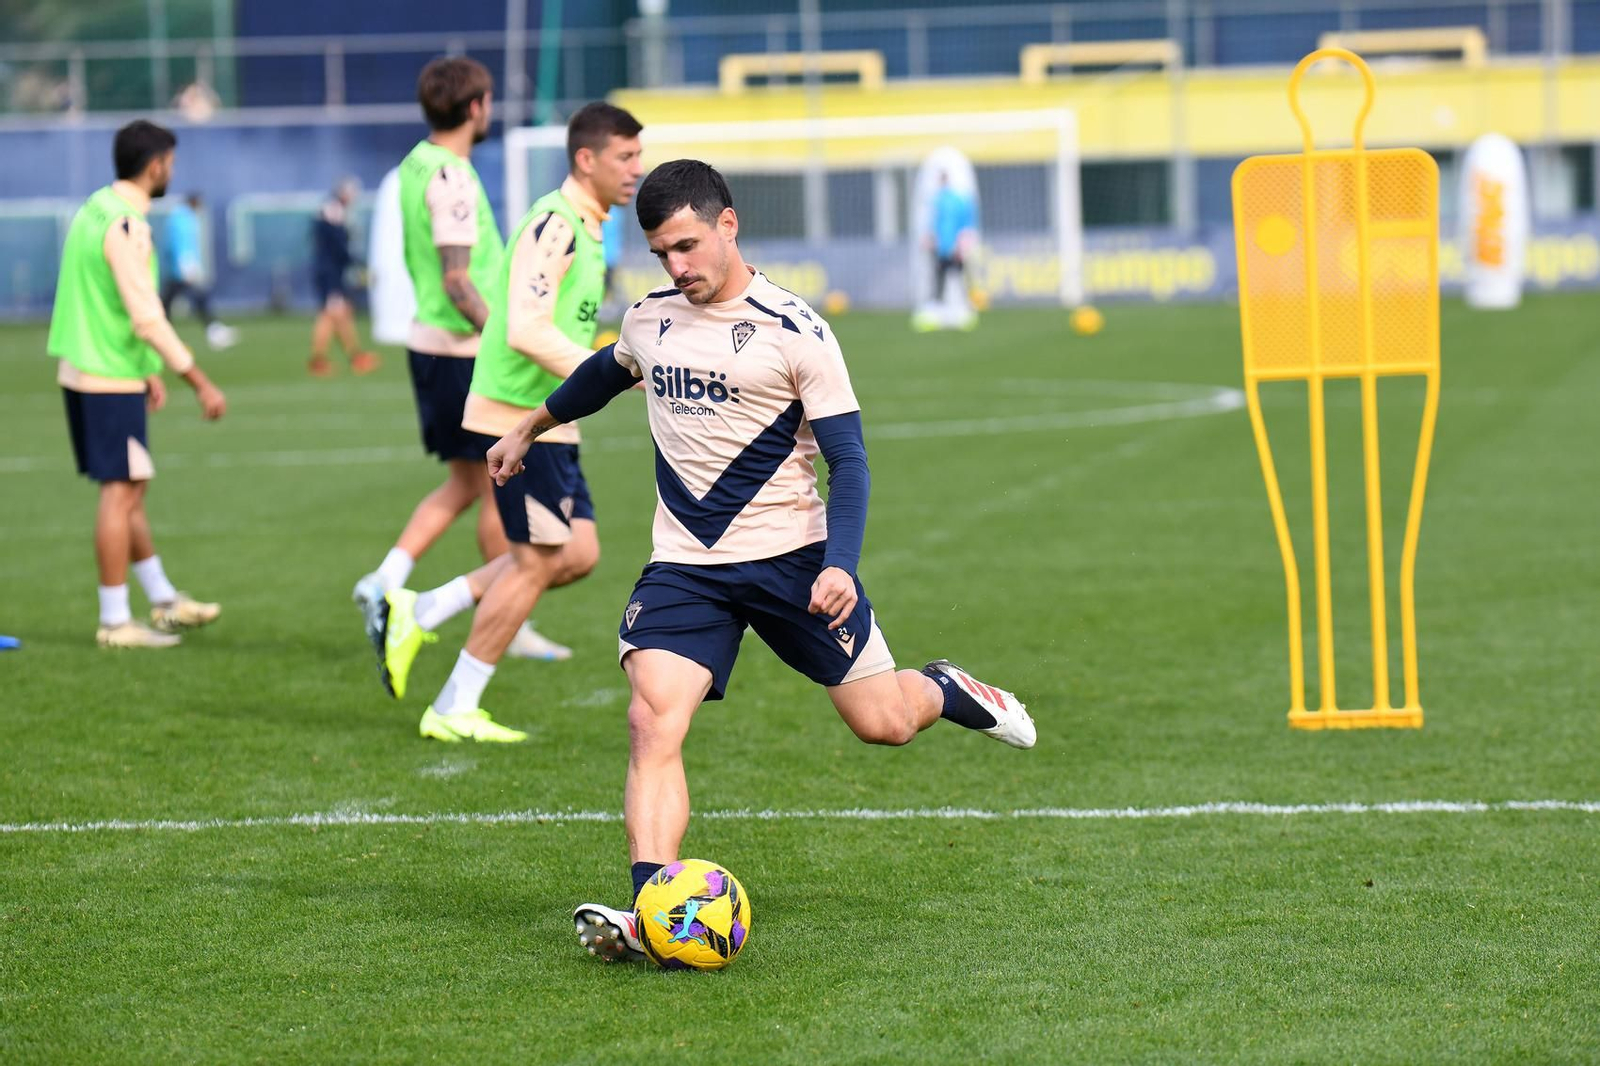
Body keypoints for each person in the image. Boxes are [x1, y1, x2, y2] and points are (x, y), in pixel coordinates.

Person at [481, 160, 1036, 959]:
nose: (677, 266)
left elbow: (850, 461)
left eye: (688, 245)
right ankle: (652, 907)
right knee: (650, 719)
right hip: (686, 566)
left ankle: (944, 688)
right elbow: (605, 373)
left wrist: (840, 564)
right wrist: (526, 427)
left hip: (796, 563)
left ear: (729, 225)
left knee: (882, 723)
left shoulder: (797, 331)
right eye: (661, 252)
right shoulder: (650, 319)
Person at [374, 102, 645, 743]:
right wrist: (609, 369)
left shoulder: (587, 220)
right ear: (587, 158)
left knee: (575, 553)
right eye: (625, 157)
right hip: (518, 413)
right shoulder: (554, 224)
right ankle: (454, 704)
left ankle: (424, 606)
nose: (637, 169)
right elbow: (523, 328)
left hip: (550, 412)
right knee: (535, 559)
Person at [351, 56, 567, 663]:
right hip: (464, 350)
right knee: (504, 479)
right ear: (474, 107)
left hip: (433, 347)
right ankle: (511, 615)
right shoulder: (452, 177)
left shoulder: (418, 162)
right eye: (488, 100)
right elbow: (456, 280)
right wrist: (502, 337)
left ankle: (384, 581)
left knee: (467, 482)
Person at [48, 120, 228, 648]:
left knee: (131, 487)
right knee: (120, 491)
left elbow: (105, 298)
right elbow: (147, 315)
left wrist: (147, 368)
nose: (172, 171)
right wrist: (198, 380)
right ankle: (114, 621)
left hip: (91, 365)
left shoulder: (94, 208)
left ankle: (163, 599)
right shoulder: (128, 224)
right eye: (170, 162)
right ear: (156, 166)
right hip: (106, 373)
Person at [308, 177, 379, 377]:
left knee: (337, 315)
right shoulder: (333, 210)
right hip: (329, 274)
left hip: (330, 272)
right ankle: (331, 359)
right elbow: (338, 247)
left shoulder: (330, 209)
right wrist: (358, 265)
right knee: (334, 315)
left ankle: (349, 356)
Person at [159, 192, 237, 350]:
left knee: (170, 302)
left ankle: (165, 335)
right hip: (182, 268)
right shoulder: (181, 218)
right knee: (195, 299)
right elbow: (179, 243)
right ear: (194, 202)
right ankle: (213, 331)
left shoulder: (184, 217)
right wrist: (186, 265)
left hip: (181, 267)